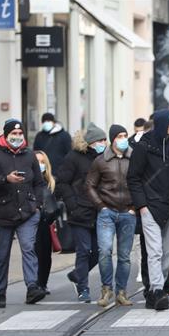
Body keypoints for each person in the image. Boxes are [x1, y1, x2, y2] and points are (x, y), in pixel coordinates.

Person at [127, 109, 169, 311]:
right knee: (154, 251)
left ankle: (154, 288)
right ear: (161, 123)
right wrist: (141, 205)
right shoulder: (144, 147)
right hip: (151, 206)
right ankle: (158, 290)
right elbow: (133, 178)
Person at [0, 119, 47, 307]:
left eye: (20, 134)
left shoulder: (29, 155)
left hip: (28, 211)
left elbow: (39, 182)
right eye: (13, 134)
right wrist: (5, 179)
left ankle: (32, 287)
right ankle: (0, 292)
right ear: (6, 135)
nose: (17, 137)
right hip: (3, 212)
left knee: (28, 247)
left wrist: (37, 204)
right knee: (2, 255)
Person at [86, 124, 136, 307]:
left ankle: (121, 291)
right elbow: (90, 185)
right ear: (113, 139)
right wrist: (101, 206)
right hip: (107, 212)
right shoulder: (101, 161)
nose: (123, 139)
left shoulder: (134, 158)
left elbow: (141, 182)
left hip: (128, 213)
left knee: (124, 255)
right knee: (105, 251)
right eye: (119, 136)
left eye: (125, 135)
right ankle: (106, 288)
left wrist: (135, 208)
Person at [56, 123, 105, 302]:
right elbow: (62, 183)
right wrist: (72, 204)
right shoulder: (73, 157)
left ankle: (77, 274)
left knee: (100, 252)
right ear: (91, 142)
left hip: (99, 211)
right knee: (84, 250)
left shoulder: (104, 157)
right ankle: (83, 287)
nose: (103, 143)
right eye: (100, 140)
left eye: (105, 140)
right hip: (79, 211)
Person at [34, 151, 58, 294]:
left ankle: (43, 283)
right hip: (32, 220)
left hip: (47, 222)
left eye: (42, 162)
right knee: (33, 252)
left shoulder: (52, 182)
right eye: (37, 162)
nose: (40, 165)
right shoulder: (29, 181)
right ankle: (34, 283)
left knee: (45, 255)